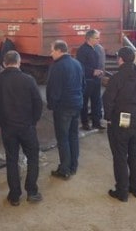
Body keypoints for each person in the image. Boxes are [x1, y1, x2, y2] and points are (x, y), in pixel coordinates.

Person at [0, 50, 44, 206]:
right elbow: (38, 103)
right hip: (26, 126)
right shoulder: (28, 80)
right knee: (33, 158)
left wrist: (0, 122)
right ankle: (32, 192)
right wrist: (33, 121)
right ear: (19, 62)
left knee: (12, 160)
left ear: (4, 63)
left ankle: (14, 196)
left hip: (8, 128)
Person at [102, 46, 136, 202]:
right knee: (135, 154)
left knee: (120, 156)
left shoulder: (117, 77)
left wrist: (108, 117)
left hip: (120, 121)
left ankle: (122, 192)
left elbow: (107, 100)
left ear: (120, 59)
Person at [46, 40, 85, 180]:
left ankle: (64, 169)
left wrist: (52, 105)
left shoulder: (57, 66)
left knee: (63, 139)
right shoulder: (77, 63)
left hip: (63, 108)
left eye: (52, 50)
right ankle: (73, 166)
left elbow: (53, 90)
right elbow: (83, 84)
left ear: (59, 50)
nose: (50, 54)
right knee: (73, 136)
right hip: (77, 105)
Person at [76, 29, 104, 131]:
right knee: (84, 103)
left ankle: (96, 122)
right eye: (97, 38)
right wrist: (92, 71)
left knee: (96, 102)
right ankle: (85, 123)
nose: (99, 40)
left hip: (96, 80)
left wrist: (100, 71)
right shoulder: (82, 50)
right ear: (89, 38)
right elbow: (80, 66)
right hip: (87, 81)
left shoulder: (97, 48)